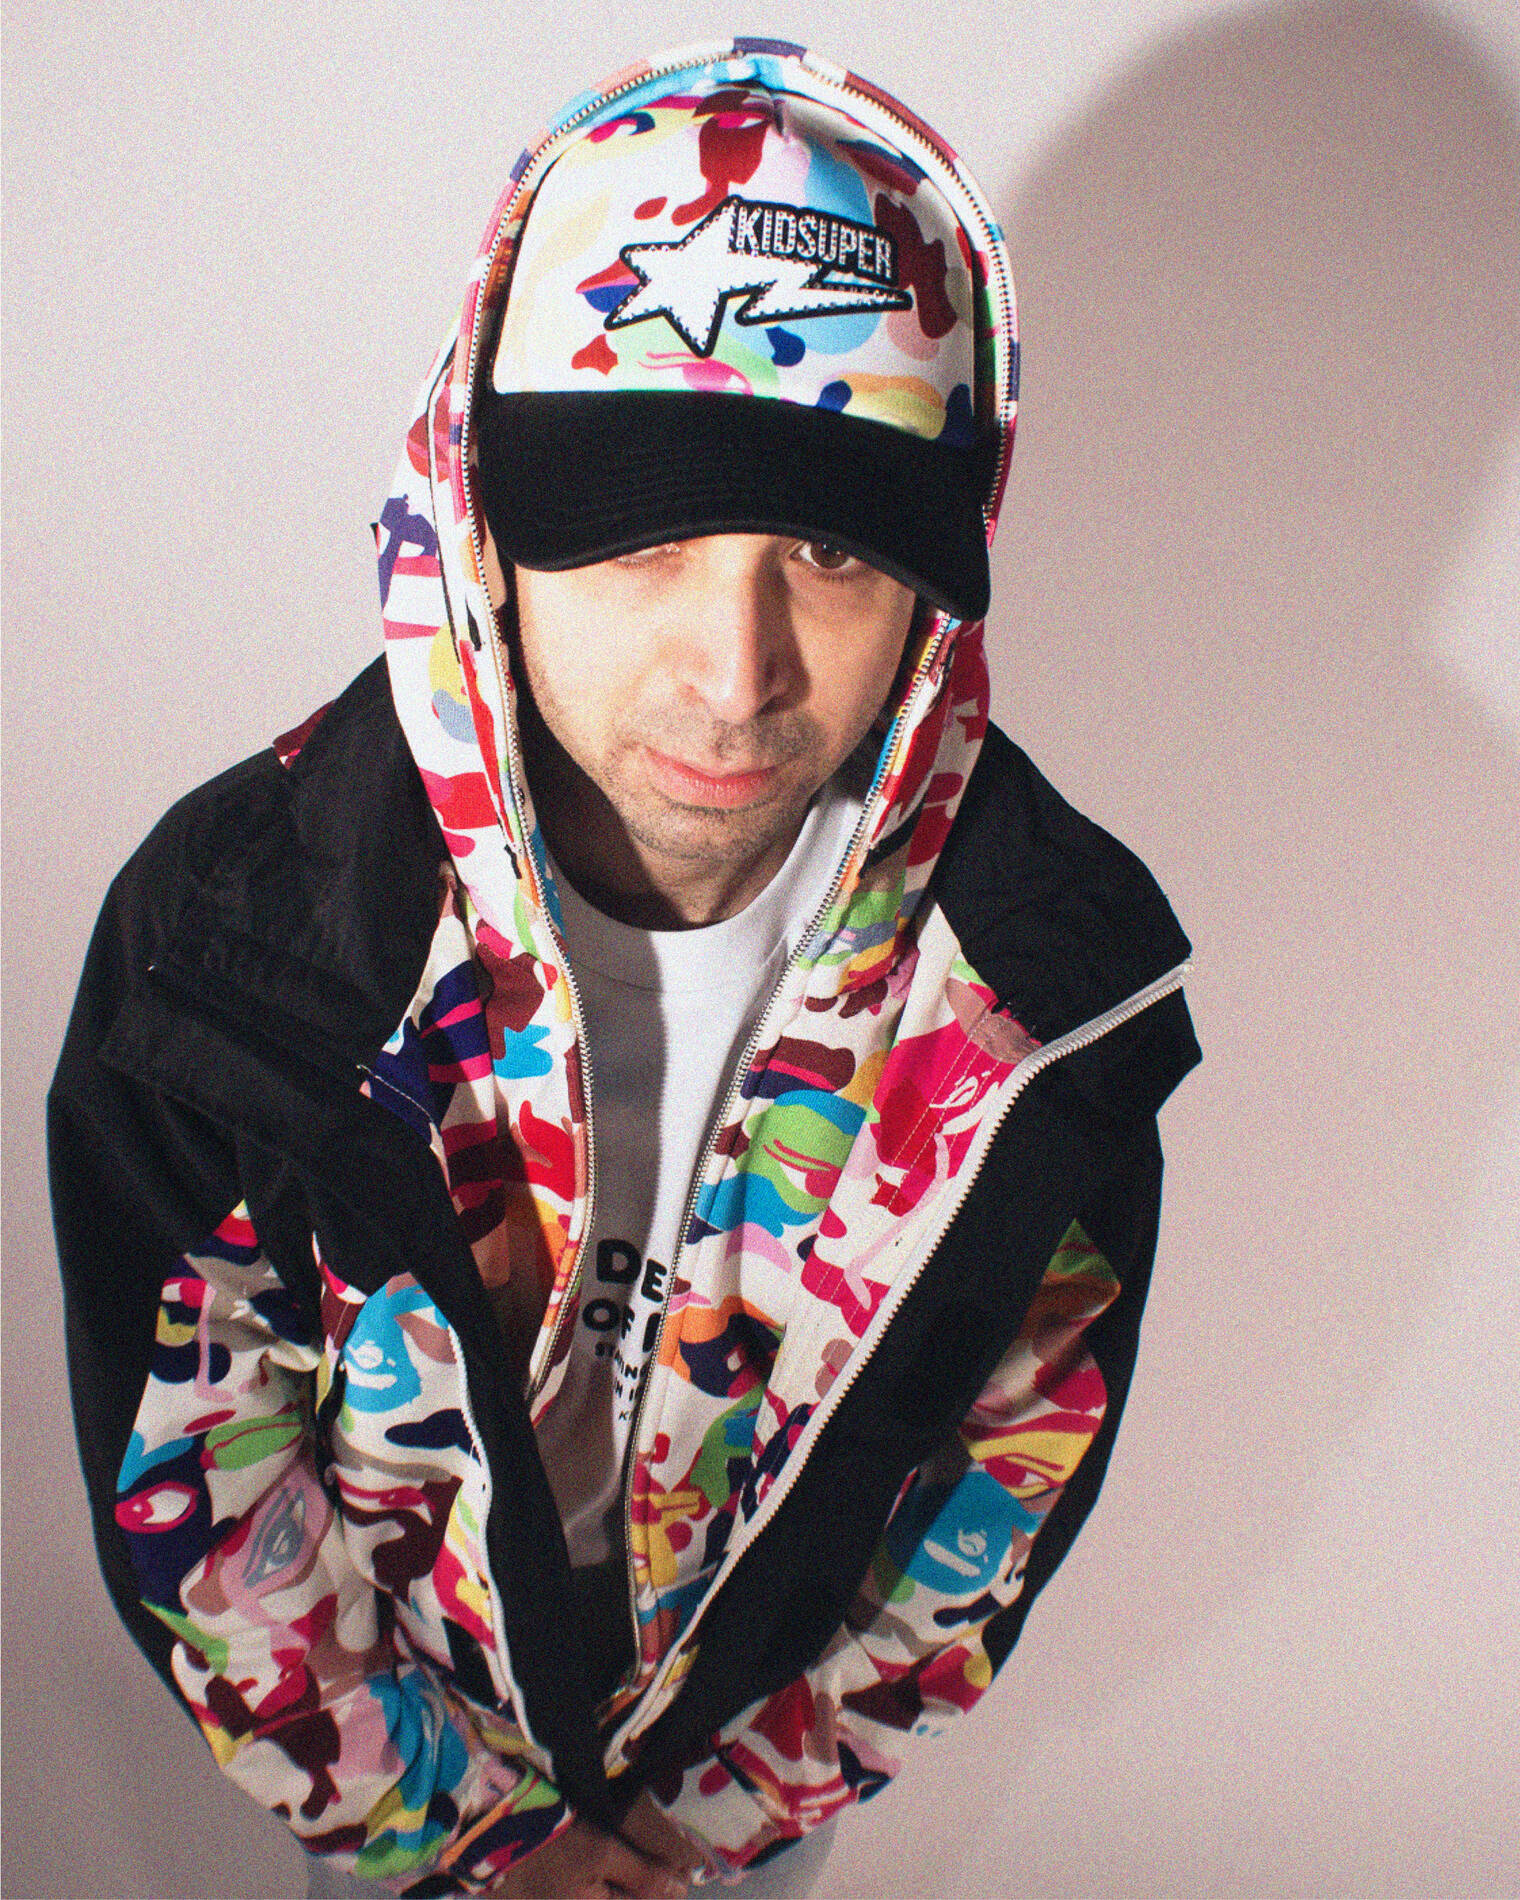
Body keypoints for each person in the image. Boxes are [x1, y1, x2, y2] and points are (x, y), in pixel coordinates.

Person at [49, 37, 1200, 1900]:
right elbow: (197, 1474)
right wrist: (470, 1838)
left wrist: (704, 1829)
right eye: (644, 538)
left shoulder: (1038, 1000)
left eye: (827, 549)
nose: (736, 672)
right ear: (483, 525)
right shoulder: (241, 940)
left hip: (731, 1794)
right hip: (400, 1769)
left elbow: (1007, 1467)